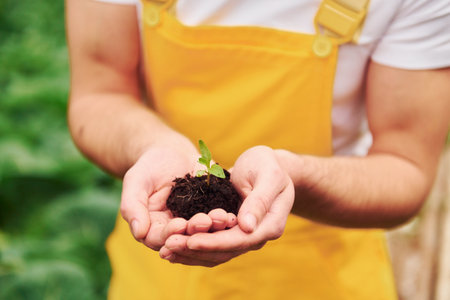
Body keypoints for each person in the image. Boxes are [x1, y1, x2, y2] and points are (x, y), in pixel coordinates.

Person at [66, 0, 450, 299]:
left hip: (321, 279)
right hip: (158, 253)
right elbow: (100, 92)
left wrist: (292, 174)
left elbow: (406, 166)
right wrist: (152, 146)